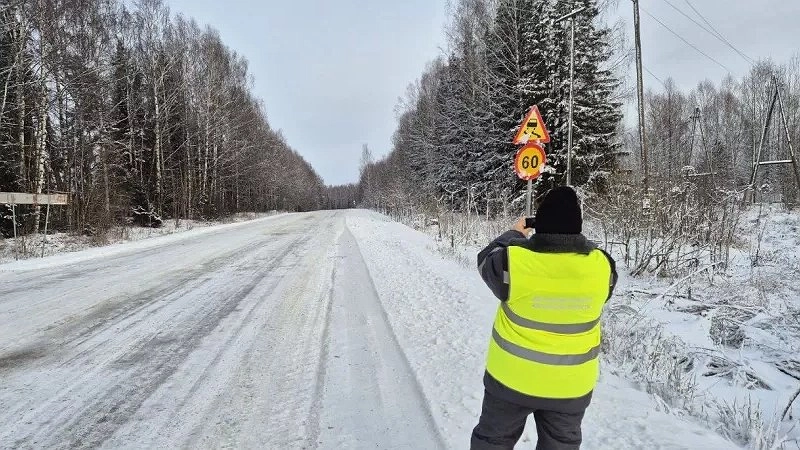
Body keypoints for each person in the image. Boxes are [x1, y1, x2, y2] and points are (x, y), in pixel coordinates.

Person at [471, 186, 618, 450]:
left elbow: (485, 259)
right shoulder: (602, 266)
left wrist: (516, 233)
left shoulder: (512, 263)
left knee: (492, 442)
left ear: (540, 224)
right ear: (578, 227)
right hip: (571, 386)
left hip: (510, 380)